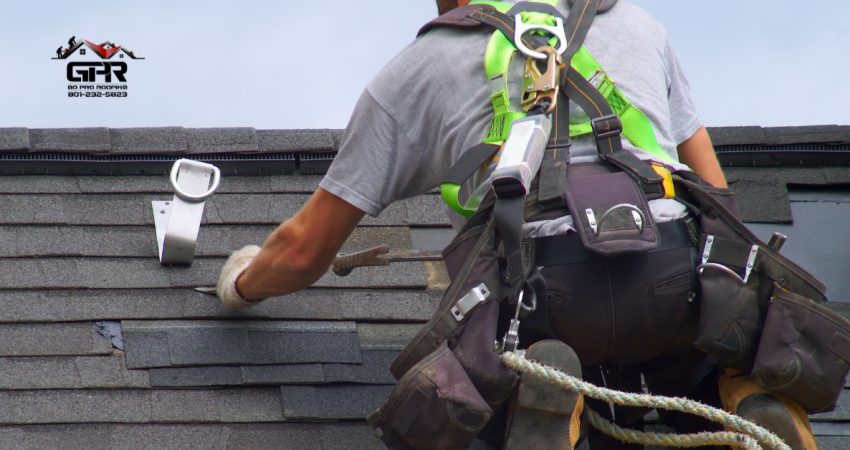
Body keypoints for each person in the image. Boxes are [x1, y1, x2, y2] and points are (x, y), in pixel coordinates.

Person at [216, 1, 817, 448]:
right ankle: (737, 397)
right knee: (698, 356)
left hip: (544, 298)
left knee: (487, 375)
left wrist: (240, 284)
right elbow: (717, 202)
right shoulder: (638, 26)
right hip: (675, 280)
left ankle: (544, 403)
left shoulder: (417, 69)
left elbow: (301, 252)